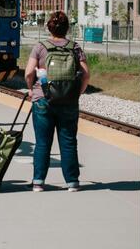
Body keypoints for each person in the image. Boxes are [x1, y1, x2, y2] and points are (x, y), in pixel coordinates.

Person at [25, 11, 90, 192]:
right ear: (67, 28)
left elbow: (29, 72)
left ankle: (38, 182)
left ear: (49, 27)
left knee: (42, 143)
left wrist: (31, 89)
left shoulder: (40, 47)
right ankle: (72, 182)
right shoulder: (74, 47)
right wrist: (78, 92)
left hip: (43, 100)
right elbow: (86, 75)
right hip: (69, 100)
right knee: (68, 141)